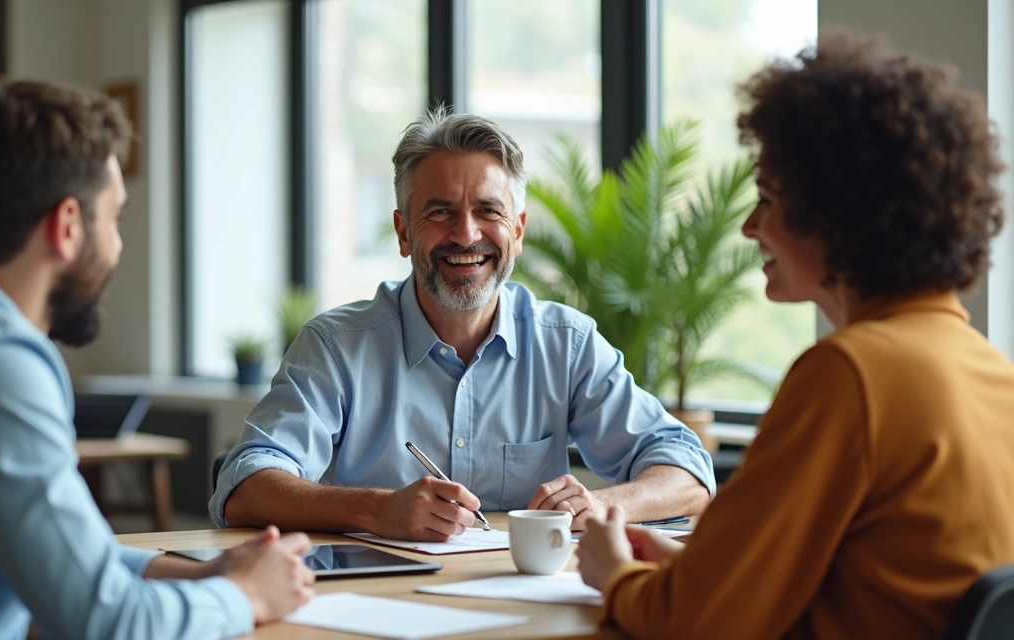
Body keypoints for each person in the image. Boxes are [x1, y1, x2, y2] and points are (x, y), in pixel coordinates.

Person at [0, 77, 314, 640]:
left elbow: (72, 560)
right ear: (67, 225)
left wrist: (210, 573)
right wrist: (244, 594)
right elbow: (105, 624)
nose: (117, 246)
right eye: (113, 219)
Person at [576, 30, 1014, 639]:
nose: (751, 226)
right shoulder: (987, 368)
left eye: (769, 199)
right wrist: (693, 569)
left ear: (836, 213)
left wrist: (615, 575)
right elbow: (872, 584)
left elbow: (695, 626)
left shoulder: (852, 373)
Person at [212, 108, 715, 541]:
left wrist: (608, 506)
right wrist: (377, 509)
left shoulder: (567, 344)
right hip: (374, 605)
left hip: (521, 604)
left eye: (488, 210)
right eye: (440, 212)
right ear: (404, 232)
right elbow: (244, 485)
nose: (467, 234)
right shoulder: (335, 347)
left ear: (516, 232)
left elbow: (688, 469)